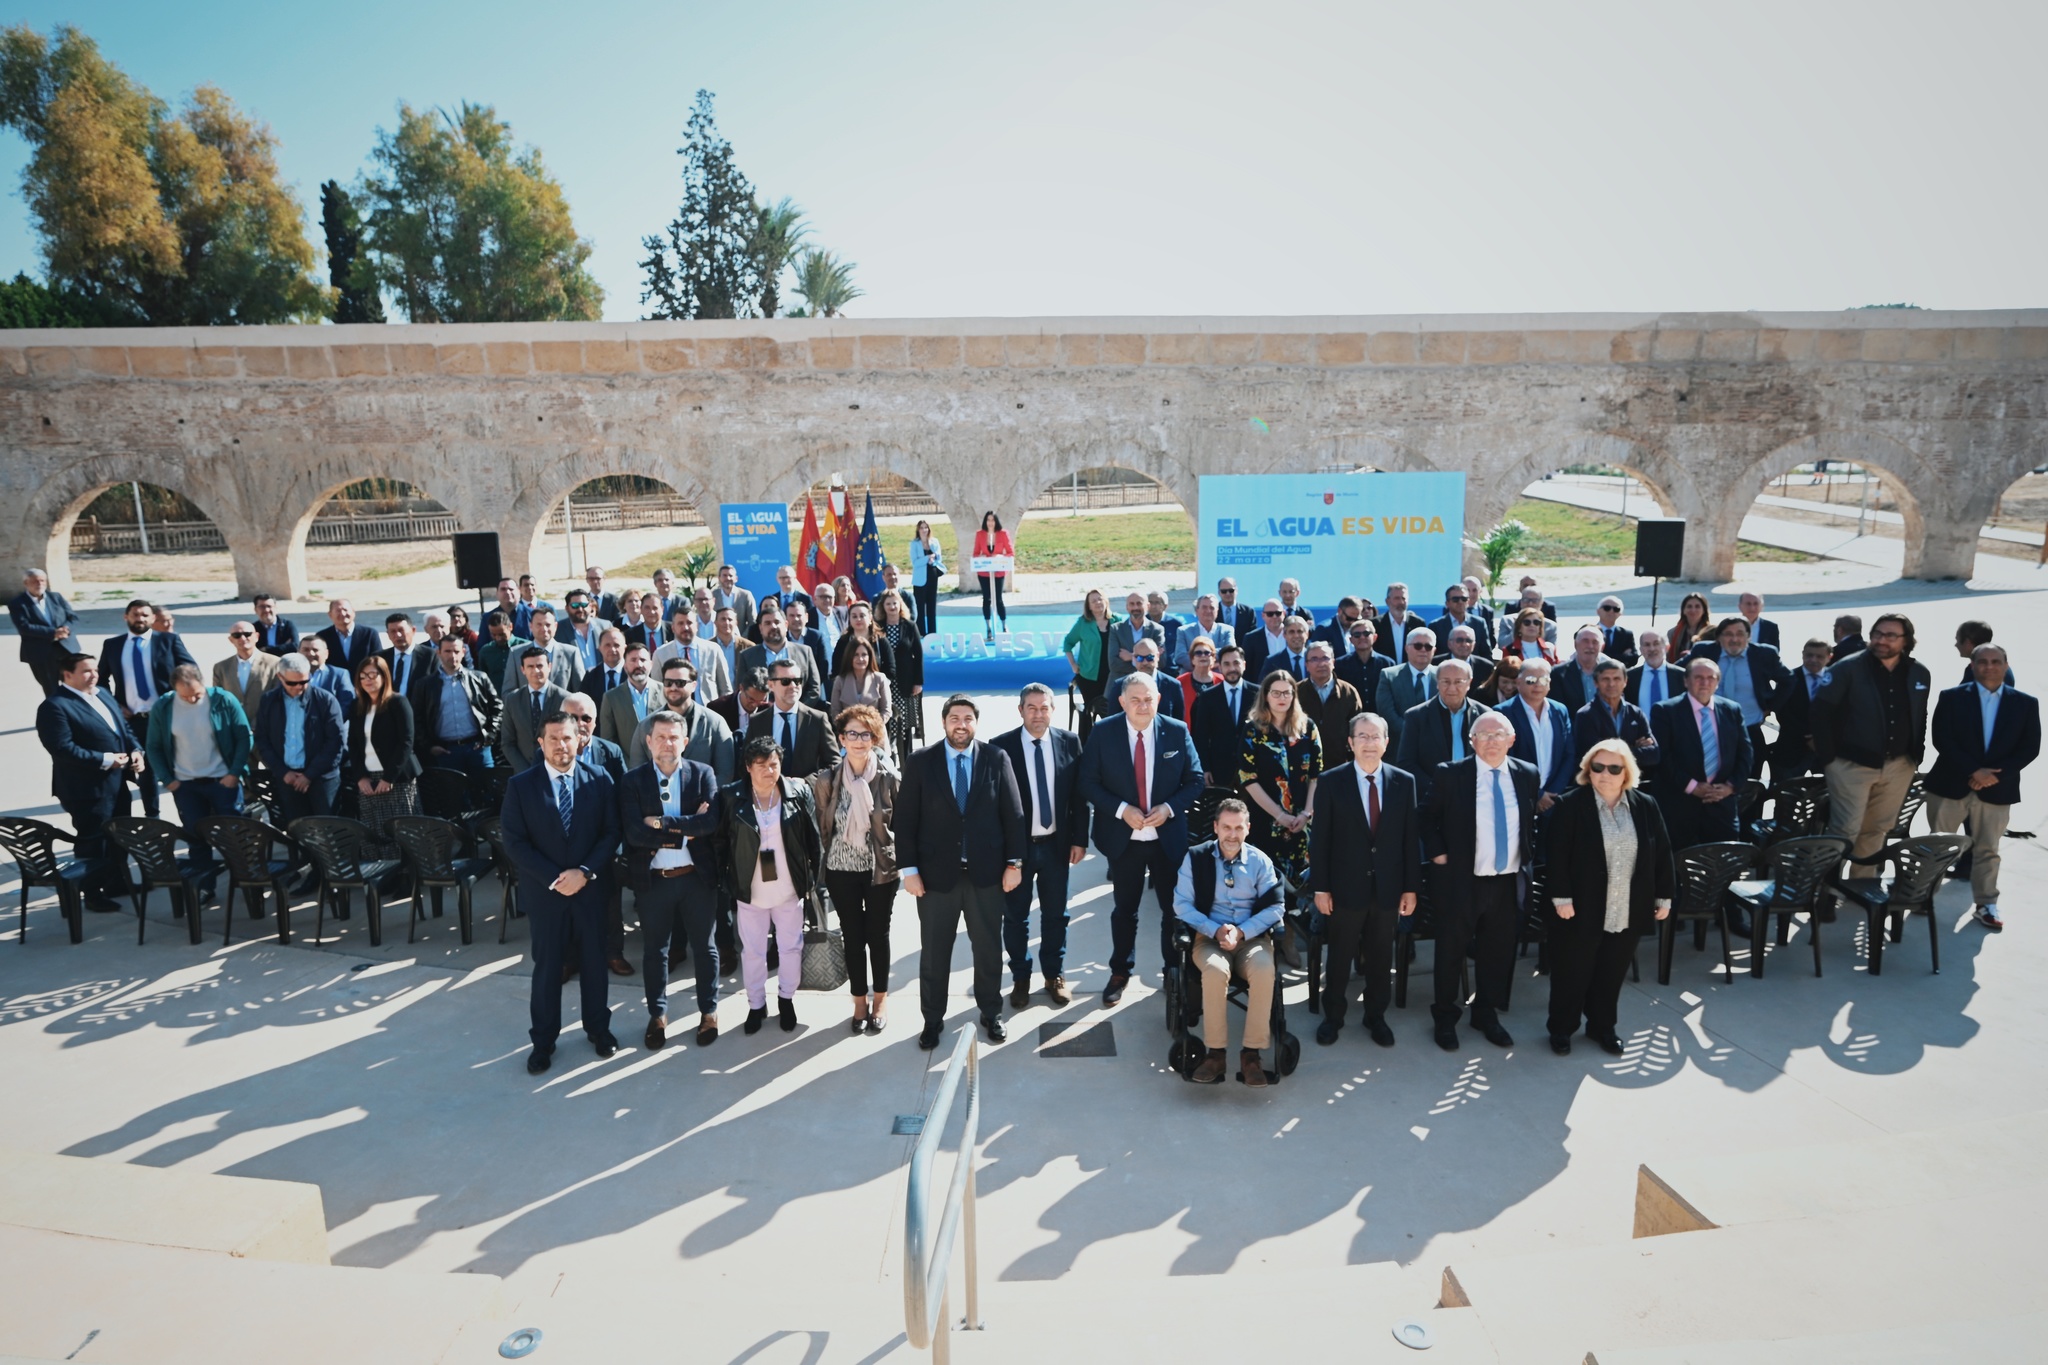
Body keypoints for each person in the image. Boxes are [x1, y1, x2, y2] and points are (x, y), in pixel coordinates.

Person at [895, 695, 1025, 1048]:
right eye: (955, 717)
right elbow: (904, 821)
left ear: (976, 724)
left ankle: (991, 1012)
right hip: (936, 880)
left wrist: (1014, 864)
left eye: (968, 718)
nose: (961, 724)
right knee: (935, 954)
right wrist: (910, 871)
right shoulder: (922, 761)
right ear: (944, 722)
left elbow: (1013, 816)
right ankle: (932, 1020)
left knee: (987, 950)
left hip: (987, 876)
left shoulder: (996, 759)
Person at [501, 712, 621, 1074]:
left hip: (590, 890)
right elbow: (514, 841)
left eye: (568, 737)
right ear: (540, 743)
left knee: (595, 965)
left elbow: (611, 833)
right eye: (553, 738)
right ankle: (543, 1041)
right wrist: (556, 877)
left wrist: (584, 873)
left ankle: (599, 1030)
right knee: (548, 968)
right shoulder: (521, 786)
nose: (560, 745)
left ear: (579, 740)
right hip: (546, 894)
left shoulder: (599, 780)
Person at [1544, 740, 1676, 1055]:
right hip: (1579, 909)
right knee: (1572, 974)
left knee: (1611, 973)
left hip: (1626, 908)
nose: (1605, 774)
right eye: (1598, 767)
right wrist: (1561, 897)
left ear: (1626, 772)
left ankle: (1602, 1028)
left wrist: (1664, 897)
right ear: (1588, 770)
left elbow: (1662, 854)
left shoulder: (1645, 805)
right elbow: (1556, 856)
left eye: (1614, 768)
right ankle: (1562, 1029)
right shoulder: (1570, 804)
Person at [1421, 711, 1539, 1051]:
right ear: (1472, 742)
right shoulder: (1451, 774)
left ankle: (1485, 1013)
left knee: (1497, 951)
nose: (1490, 741)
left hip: (1506, 881)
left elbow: (1528, 822)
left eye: (1498, 734)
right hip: (1461, 880)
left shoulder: (1527, 774)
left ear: (1511, 740)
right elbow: (1425, 817)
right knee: (1450, 951)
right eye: (1482, 735)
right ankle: (1445, 1016)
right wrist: (1438, 853)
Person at [1308, 711, 1419, 1049]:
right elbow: (1320, 841)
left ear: (1387, 742)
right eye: (1363, 737)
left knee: (1380, 956)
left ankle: (1376, 1016)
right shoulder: (1331, 782)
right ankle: (1334, 1016)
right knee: (1340, 955)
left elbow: (1409, 839)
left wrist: (1411, 887)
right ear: (1350, 743)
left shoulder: (1404, 781)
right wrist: (1320, 888)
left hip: (1387, 888)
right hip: (1344, 888)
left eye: (1376, 737)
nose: (1369, 743)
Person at [619, 709, 722, 1049]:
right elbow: (634, 833)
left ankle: (708, 1012)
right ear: (648, 742)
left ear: (685, 742)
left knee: (705, 949)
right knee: (655, 951)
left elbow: (710, 825)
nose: (667, 743)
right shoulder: (632, 781)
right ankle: (658, 1015)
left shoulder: (702, 774)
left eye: (674, 737)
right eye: (660, 737)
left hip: (696, 878)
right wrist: (687, 827)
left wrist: (661, 824)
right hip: (655, 881)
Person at [1926, 644, 2039, 932]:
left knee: (1988, 849)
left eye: (1996, 661)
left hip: (1997, 790)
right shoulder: (1951, 698)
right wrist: (1973, 770)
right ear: (1973, 665)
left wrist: (1992, 776)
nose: (1989, 666)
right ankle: (1923, 897)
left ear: (2005, 664)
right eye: (1983, 661)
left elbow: (2029, 748)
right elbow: (1942, 739)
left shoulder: (2026, 703)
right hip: (1950, 785)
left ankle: (1986, 903)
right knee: (1938, 847)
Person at [1173, 798, 1285, 1086]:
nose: (1232, 835)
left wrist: (1243, 932)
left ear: (1248, 828)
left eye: (1238, 828)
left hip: (1251, 938)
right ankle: (1216, 1054)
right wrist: (1215, 929)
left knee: (1264, 969)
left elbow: (1276, 907)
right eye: (1226, 827)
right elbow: (1182, 904)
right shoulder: (1195, 858)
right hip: (1209, 937)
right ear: (1215, 828)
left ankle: (1251, 1055)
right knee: (1214, 970)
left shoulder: (1261, 862)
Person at [993, 683, 1088, 1007]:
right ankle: (1020, 977)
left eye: (1044, 707)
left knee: (1055, 915)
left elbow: (1078, 797)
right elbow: (995, 807)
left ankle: (1054, 975)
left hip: (1056, 847)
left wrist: (1079, 839)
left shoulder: (1069, 743)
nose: (1038, 714)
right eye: (1031, 708)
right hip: (1017, 852)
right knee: (1016, 918)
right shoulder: (1001, 747)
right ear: (1020, 711)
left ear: (1053, 710)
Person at [811, 704, 902, 1034]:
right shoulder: (827, 780)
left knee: (877, 936)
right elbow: (824, 825)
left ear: (875, 738)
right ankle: (859, 1001)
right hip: (840, 868)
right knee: (852, 936)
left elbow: (901, 825)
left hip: (879, 870)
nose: (859, 741)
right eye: (852, 734)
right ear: (841, 739)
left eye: (866, 734)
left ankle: (880, 999)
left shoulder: (890, 779)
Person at [1813, 613, 1930, 865]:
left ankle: (1860, 889)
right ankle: (1825, 892)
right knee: (1845, 830)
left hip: (1899, 767)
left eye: (1890, 636)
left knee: (1877, 830)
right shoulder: (1847, 668)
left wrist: (1915, 757)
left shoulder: (1919, 673)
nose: (1881, 640)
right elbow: (1820, 714)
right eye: (1877, 634)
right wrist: (1829, 760)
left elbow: (1921, 714)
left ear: (1906, 641)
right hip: (1850, 766)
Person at [38, 651, 145, 911]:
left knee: (119, 836)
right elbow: (62, 748)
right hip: (86, 789)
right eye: (86, 671)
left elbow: (124, 729)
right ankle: (92, 893)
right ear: (67, 675)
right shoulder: (55, 706)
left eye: (95, 670)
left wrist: (136, 751)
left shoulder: (103, 695)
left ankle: (117, 882)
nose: (94, 675)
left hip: (117, 783)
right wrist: (107, 759)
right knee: (93, 841)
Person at [142, 664, 250, 903]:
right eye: (185, 696)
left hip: (223, 781)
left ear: (204, 684)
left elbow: (244, 736)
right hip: (186, 785)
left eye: (197, 694)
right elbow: (154, 746)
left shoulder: (222, 699)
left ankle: (247, 882)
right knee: (195, 837)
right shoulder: (164, 706)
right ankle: (204, 886)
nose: (192, 699)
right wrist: (168, 780)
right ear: (175, 690)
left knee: (235, 834)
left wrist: (235, 772)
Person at [1239, 671, 1322, 969]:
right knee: (1268, 881)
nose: (1282, 698)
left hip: (1303, 822)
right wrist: (1280, 815)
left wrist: (1305, 813)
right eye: (1276, 692)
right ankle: (1275, 937)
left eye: (1287, 692)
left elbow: (1316, 774)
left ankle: (1292, 935)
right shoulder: (1253, 731)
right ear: (1266, 695)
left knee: (1301, 879)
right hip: (1266, 822)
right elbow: (1248, 780)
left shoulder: (1307, 727)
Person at [254, 654, 347, 889]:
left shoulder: (324, 700)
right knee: (299, 830)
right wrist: (283, 771)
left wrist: (309, 775)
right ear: (280, 678)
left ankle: (332, 876)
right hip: (288, 777)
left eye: (304, 682)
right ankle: (311, 872)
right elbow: (262, 740)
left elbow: (335, 743)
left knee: (326, 830)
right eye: (292, 683)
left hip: (320, 778)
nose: (299, 688)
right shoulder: (269, 701)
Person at [98, 599, 196, 820]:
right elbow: (100, 680)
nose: (139, 619)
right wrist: (114, 705)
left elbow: (190, 670)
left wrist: (176, 699)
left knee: (178, 768)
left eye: (144, 615)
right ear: (126, 617)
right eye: (135, 614)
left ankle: (189, 818)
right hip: (134, 720)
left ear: (152, 619)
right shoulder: (113, 645)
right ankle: (153, 818)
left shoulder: (168, 641)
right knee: (145, 771)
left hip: (168, 717)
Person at [1648, 658, 1752, 855]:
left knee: (1721, 865)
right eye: (1698, 677)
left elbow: (1745, 754)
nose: (1704, 682)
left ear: (1717, 682)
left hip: (1721, 804)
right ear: (1686, 681)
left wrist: (1730, 787)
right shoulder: (1665, 711)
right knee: (1678, 867)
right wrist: (1692, 787)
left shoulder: (1732, 710)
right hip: (1679, 804)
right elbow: (1663, 757)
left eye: (1710, 678)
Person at [1688, 615, 1789, 781]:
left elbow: (1788, 680)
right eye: (1728, 634)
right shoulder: (1704, 652)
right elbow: (1678, 673)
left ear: (1748, 637)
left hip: (1749, 729)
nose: (1734, 639)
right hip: (1710, 731)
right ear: (1719, 637)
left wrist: (1770, 708)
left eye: (1740, 634)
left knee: (1751, 784)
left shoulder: (1764, 654)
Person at [346, 656, 421, 854]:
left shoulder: (397, 702)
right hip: (369, 779)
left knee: (401, 832)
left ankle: (406, 877)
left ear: (384, 676)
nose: (368, 680)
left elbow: (406, 741)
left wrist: (389, 778)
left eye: (372, 675)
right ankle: (379, 877)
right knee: (373, 832)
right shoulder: (357, 706)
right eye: (363, 677)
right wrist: (360, 776)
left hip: (396, 778)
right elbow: (353, 744)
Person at [1396, 656, 1490, 807]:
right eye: (1446, 681)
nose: (1452, 688)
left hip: (1476, 798)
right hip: (1432, 801)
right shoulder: (1416, 716)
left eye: (1458, 682)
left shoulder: (1485, 716)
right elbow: (1406, 762)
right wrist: (1438, 788)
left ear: (1469, 683)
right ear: (1437, 683)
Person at [632, 657, 736, 784]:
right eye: (668, 683)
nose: (673, 687)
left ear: (693, 686)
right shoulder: (646, 725)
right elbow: (636, 773)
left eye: (680, 683)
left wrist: (706, 798)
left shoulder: (715, 723)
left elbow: (725, 772)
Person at [413, 634, 500, 777]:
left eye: (456, 651)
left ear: (463, 652)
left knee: (487, 792)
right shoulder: (425, 685)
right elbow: (417, 717)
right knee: (453, 797)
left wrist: (489, 735)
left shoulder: (479, 678)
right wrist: (429, 746)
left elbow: (497, 707)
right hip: (446, 751)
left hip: (478, 748)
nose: (452, 656)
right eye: (447, 651)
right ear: (438, 652)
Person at [1188, 643, 1251, 839]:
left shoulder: (1258, 694)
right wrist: (1204, 768)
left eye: (1236, 663)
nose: (1232, 668)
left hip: (1251, 769)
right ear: (1219, 666)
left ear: (1244, 665)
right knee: (1223, 818)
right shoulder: (1207, 697)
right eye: (1226, 664)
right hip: (1218, 770)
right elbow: (1200, 736)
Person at [1499, 659, 1576, 806]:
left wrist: (1553, 793)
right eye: (1531, 680)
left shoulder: (1560, 711)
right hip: (1518, 799)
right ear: (1519, 682)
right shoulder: (1502, 713)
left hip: (1554, 800)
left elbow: (1569, 754)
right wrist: (1537, 794)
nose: (1537, 685)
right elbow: (1505, 759)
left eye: (1543, 680)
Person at [746, 660, 834, 778]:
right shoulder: (757, 721)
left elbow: (833, 764)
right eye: (785, 681)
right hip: (768, 793)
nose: (793, 686)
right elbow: (746, 764)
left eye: (797, 681)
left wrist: (807, 782)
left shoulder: (817, 719)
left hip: (806, 793)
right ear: (771, 685)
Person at [1572, 658, 1659, 767]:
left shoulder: (1636, 713)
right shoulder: (1585, 715)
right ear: (1596, 683)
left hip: (1633, 781)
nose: (1611, 684)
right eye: (1605, 679)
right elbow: (1592, 756)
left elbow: (1653, 754)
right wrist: (1633, 748)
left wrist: (1608, 749)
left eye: (1617, 678)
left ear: (1625, 682)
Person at [737, 601, 823, 706]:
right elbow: (742, 689)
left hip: (798, 716)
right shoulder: (747, 656)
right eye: (767, 623)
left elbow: (814, 689)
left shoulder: (805, 652)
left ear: (786, 625)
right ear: (760, 628)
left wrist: (796, 709)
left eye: (777, 622)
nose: (773, 626)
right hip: (762, 717)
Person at [11, 567, 80, 696]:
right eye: (35, 581)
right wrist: (53, 632)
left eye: (43, 581)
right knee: (51, 689)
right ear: (26, 583)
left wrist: (66, 629)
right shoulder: (18, 603)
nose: (40, 584)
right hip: (40, 652)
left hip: (66, 648)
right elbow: (24, 627)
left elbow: (73, 617)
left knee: (75, 685)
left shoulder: (56, 597)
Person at [1772, 638, 1835, 779]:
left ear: (1829, 657)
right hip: (1791, 750)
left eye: (1819, 656)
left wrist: (1821, 738)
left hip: (1827, 751)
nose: (1813, 660)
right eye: (1809, 655)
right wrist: (1808, 736)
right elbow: (1782, 712)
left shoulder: (1837, 679)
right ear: (1802, 655)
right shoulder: (1788, 678)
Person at [876, 589, 926, 766]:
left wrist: (918, 682)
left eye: (894, 603)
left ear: (900, 605)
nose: (891, 607)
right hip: (885, 683)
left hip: (906, 683)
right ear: (883, 606)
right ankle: (888, 760)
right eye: (888, 604)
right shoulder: (877, 626)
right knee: (887, 723)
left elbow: (918, 655)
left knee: (904, 725)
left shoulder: (910, 626)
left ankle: (907, 762)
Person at [502, 647, 571, 774]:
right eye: (530, 666)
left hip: (557, 770)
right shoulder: (512, 700)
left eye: (540, 665)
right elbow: (507, 742)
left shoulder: (564, 698)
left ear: (549, 666)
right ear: (522, 669)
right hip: (523, 773)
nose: (536, 670)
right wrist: (525, 771)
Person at [1062, 588, 1119, 740]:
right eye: (1093, 601)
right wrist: (1073, 664)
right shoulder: (1083, 623)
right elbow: (1068, 643)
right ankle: (1088, 743)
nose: (1098, 603)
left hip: (1113, 676)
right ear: (1089, 606)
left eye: (1100, 599)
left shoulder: (1117, 620)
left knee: (1113, 710)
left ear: (1106, 601)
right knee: (1091, 711)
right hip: (1089, 677)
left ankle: (1112, 742)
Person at [1375, 629, 1439, 752]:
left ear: (1434, 650)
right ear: (1407, 648)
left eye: (1428, 646)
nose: (1423, 650)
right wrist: (1413, 732)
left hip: (1435, 747)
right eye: (1418, 646)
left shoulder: (1442, 676)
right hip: (1400, 747)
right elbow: (1387, 712)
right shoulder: (1389, 675)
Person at [654, 608, 733, 700]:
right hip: (674, 712)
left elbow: (725, 688)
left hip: (708, 710)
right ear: (673, 627)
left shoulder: (713, 650)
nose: (685, 627)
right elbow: (657, 691)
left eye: (689, 623)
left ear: (697, 626)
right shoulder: (660, 654)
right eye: (680, 623)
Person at [502, 605, 582, 695]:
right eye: (539, 624)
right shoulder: (516, 654)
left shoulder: (571, 653)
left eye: (548, 625)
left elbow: (581, 691)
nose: (544, 629)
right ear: (530, 626)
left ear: (555, 626)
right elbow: (508, 692)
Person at [599, 643, 661, 759]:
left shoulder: (665, 693)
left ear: (651, 665)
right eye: (633, 660)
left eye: (643, 660)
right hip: (628, 769)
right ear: (625, 666)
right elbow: (609, 741)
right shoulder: (611, 697)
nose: (639, 664)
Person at [1296, 641, 1363, 747]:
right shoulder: (1296, 692)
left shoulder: (1348, 692)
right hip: (1305, 757)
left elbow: (1357, 728)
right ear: (1306, 665)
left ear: (1333, 662)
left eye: (1325, 658)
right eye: (1314, 659)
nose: (1321, 663)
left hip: (1340, 758)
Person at [212, 620, 280, 723]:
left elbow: (277, 697)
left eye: (247, 634)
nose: (242, 638)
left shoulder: (275, 663)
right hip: (233, 727)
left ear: (256, 636)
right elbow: (218, 700)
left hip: (265, 725)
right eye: (237, 635)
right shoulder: (221, 667)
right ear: (231, 640)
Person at [829, 637, 894, 725]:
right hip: (848, 733)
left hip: (875, 732)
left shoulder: (880, 679)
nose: (860, 659)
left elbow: (886, 711)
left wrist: (872, 728)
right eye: (856, 655)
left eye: (864, 655)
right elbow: (835, 712)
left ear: (870, 656)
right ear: (849, 656)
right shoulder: (840, 681)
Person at [971, 511, 1013, 642]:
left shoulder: (1003, 534)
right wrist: (981, 557)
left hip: (998, 571)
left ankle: (1004, 626)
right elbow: (975, 553)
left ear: (996, 521)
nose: (990, 523)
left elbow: (1010, 552)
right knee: (986, 599)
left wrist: (1001, 556)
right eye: (988, 520)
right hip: (984, 572)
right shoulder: (980, 534)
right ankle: (988, 628)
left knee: (998, 599)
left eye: (992, 520)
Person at [1547, 627, 1607, 715]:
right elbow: (1557, 711)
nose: (1590, 646)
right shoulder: (1558, 674)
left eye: (1595, 642)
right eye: (1585, 641)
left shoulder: (1610, 673)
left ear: (1602, 647)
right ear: (1575, 644)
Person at [1109, 590, 1165, 683]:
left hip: (1150, 682)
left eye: (1139, 603)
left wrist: (1132, 657)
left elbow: (1161, 661)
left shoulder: (1157, 630)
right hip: (1121, 683)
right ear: (1127, 607)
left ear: (1147, 606)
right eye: (1132, 604)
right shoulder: (1116, 629)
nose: (1135, 607)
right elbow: (1114, 664)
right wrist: (1148, 659)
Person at [1624, 628, 1685, 713]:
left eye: (1656, 643)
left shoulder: (1682, 676)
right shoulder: (1629, 677)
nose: (1652, 649)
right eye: (1647, 645)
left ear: (1667, 647)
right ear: (1641, 649)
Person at [315, 598, 380, 675]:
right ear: (330, 615)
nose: (342, 613)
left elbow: (378, 660)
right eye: (338, 611)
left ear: (353, 612)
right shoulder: (322, 636)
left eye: (345, 610)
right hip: (335, 683)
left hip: (364, 681)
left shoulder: (369, 634)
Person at [1428, 585, 1491, 661]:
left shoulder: (1479, 623)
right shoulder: (1435, 626)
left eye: (1464, 599)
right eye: (1455, 599)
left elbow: (1486, 653)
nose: (1460, 602)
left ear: (1468, 602)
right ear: (1447, 603)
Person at [1175, 594, 1235, 670]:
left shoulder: (1227, 630)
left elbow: (1230, 652)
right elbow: (1180, 656)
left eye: (1212, 607)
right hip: (1191, 677)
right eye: (1204, 607)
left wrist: (1196, 653)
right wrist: (1218, 653)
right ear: (1197, 611)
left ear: (1217, 611)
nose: (1208, 611)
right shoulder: (1184, 631)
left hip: (1219, 677)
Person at [575, 626, 632, 705]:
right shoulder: (591, 675)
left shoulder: (633, 672)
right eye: (607, 645)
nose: (612, 649)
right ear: (599, 648)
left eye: (616, 645)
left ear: (625, 648)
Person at [908, 520, 946, 636]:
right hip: (920, 578)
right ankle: (921, 632)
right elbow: (915, 562)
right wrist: (927, 558)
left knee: (931, 605)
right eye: (922, 528)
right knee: (919, 605)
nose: (924, 530)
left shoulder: (934, 542)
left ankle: (932, 632)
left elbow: (939, 558)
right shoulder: (914, 544)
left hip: (932, 575)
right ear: (918, 530)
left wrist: (934, 559)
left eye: (926, 528)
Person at [1335, 617, 1386, 701]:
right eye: (1357, 635)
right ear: (1351, 640)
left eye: (1366, 633)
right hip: (1352, 712)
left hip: (1380, 713)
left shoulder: (1387, 663)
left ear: (1374, 637)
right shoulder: (1340, 664)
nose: (1362, 637)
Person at [1372, 583, 1426, 661]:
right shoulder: (1376, 624)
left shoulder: (1417, 623)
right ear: (1387, 601)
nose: (1401, 602)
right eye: (1397, 598)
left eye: (1403, 598)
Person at [477, 611, 531, 689]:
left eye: (502, 634)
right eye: (493, 635)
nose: (498, 638)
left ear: (510, 627)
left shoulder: (526, 647)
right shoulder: (485, 652)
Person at [298, 636, 355, 709]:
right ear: (298, 653)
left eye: (315, 650)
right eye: (306, 650)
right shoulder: (288, 675)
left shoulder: (340, 675)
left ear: (326, 654)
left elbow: (346, 703)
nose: (311, 654)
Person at [1259, 612, 1313, 681]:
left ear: (1307, 634)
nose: (1296, 636)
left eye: (1300, 631)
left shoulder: (1315, 659)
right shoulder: (1272, 662)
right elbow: (1264, 687)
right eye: (1291, 632)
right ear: (1284, 635)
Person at [1244, 599, 1289, 679]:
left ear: (1284, 613)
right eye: (1270, 614)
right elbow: (1247, 670)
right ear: (1263, 616)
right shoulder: (1251, 638)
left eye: (1278, 613)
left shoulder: (1293, 635)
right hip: (1262, 687)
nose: (1274, 616)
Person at [1593, 597, 1638, 666]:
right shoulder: (1590, 632)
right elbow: (1589, 656)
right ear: (1598, 611)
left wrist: (1602, 655)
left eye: (1616, 609)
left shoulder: (1626, 634)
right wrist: (1623, 656)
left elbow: (1634, 659)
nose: (1611, 611)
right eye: (1607, 608)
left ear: (1620, 613)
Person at [1216, 577, 1257, 642]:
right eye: (1224, 591)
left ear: (1236, 590)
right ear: (1219, 592)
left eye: (1231, 590)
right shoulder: (1213, 611)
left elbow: (1252, 637)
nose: (1228, 594)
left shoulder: (1248, 612)